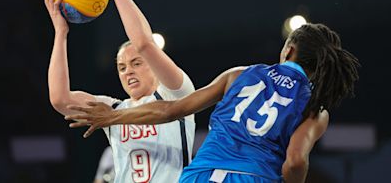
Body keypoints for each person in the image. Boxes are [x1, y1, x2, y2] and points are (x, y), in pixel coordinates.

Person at [65, 23, 360, 183]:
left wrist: (111, 117)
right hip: (254, 176)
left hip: (198, 175)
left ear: (289, 50)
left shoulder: (239, 75)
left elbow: (171, 110)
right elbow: (294, 163)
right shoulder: (315, 108)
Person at [44, 0, 195, 183]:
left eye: (136, 63)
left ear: (153, 66)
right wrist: (60, 32)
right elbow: (59, 98)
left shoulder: (176, 93)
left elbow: (144, 43)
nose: (128, 72)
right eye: (121, 67)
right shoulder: (112, 109)